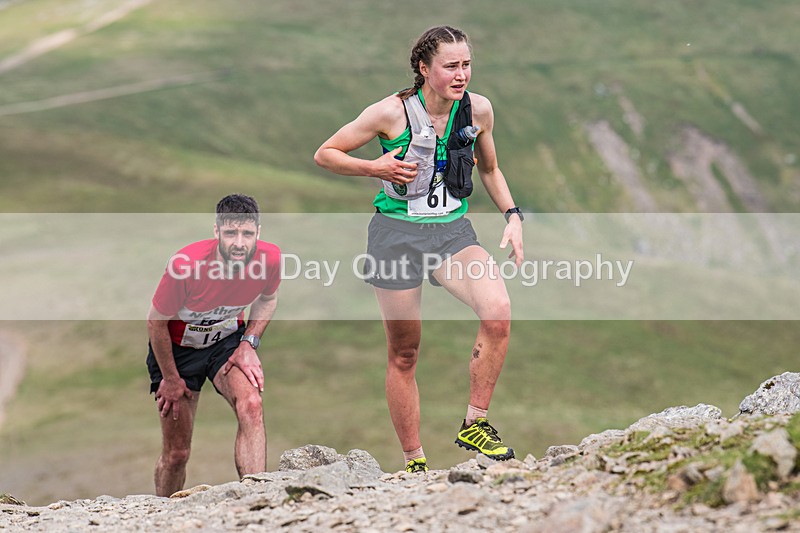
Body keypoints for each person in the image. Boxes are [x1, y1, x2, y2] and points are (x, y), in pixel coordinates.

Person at [314, 25, 524, 473]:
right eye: (451, 66)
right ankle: (414, 461)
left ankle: (475, 423)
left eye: (466, 64)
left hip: (451, 233)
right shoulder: (388, 113)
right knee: (405, 352)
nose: (461, 74)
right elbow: (326, 154)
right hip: (395, 235)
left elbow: (490, 169)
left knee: (498, 311)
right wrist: (374, 165)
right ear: (424, 69)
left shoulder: (479, 110)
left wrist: (513, 216)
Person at [146, 194, 280, 496]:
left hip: (226, 343)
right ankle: (162, 515)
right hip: (177, 350)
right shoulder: (187, 265)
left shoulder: (269, 259)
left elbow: (268, 300)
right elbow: (156, 323)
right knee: (177, 453)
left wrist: (249, 343)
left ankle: (257, 499)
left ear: (258, 233)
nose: (239, 242)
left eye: (247, 234)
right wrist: (169, 378)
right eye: (230, 233)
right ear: (217, 232)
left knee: (252, 405)